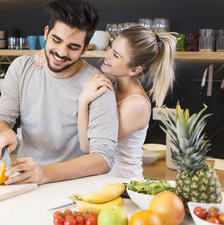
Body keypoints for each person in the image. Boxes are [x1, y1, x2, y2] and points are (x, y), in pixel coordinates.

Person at [0, 0, 118, 185]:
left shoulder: (98, 85)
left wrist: (44, 173)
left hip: (75, 187)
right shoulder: (21, 67)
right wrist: (4, 132)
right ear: (46, 33)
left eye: (73, 47)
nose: (61, 52)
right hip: (26, 181)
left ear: (84, 49)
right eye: (56, 40)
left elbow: (104, 158)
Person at [35, 26, 177, 178]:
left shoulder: (136, 105)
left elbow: (89, 148)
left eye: (116, 55)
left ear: (134, 70)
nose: (107, 54)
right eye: (111, 46)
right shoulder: (110, 81)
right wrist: (50, 54)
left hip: (122, 185)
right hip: (100, 181)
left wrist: (83, 102)